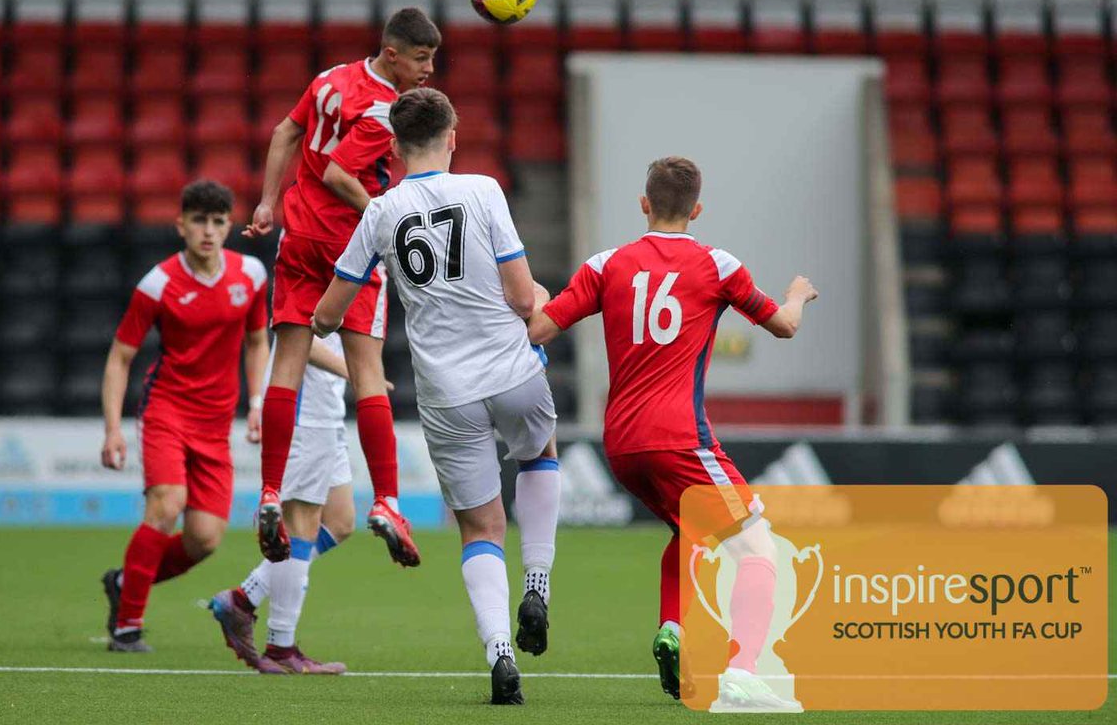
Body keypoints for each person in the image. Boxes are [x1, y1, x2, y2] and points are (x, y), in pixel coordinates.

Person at [526, 157, 818, 711]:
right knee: (758, 545)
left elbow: (538, 329)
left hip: (621, 445)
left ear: (644, 204)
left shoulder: (605, 265)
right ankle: (743, 673)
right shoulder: (718, 265)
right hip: (680, 438)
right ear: (697, 210)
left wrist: (537, 295)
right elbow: (784, 326)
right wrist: (798, 294)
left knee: (688, 533)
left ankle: (673, 630)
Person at [312, 88, 561, 705]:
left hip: (446, 391)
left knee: (480, 526)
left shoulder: (381, 211)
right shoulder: (483, 190)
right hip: (511, 370)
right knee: (539, 453)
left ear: (395, 148)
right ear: (453, 137)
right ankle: (538, 583)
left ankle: (500, 653)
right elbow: (522, 297)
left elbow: (326, 316)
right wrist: (539, 298)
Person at [243, 7, 441, 567]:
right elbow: (338, 173)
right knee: (369, 374)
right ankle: (387, 501)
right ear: (392, 54)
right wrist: (383, 212)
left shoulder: (331, 77)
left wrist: (266, 201)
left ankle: (269, 490)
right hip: (347, 249)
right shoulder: (383, 109)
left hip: (297, 236)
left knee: (287, 364)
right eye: (421, 59)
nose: (429, 70)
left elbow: (285, 132)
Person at [99, 180, 270, 653]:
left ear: (229, 226)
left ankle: (124, 583)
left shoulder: (251, 275)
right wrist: (112, 429)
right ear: (181, 226)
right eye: (199, 221)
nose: (208, 231)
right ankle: (127, 627)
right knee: (167, 503)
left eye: (217, 222)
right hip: (167, 410)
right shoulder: (157, 284)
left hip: (216, 423)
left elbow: (257, 342)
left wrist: (257, 403)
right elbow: (119, 358)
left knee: (204, 539)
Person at [209, 333, 358, 675]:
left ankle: (243, 599)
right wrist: (357, 371)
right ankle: (280, 645)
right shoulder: (321, 290)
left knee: (341, 521)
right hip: (304, 413)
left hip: (328, 411)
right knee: (301, 526)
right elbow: (298, 335)